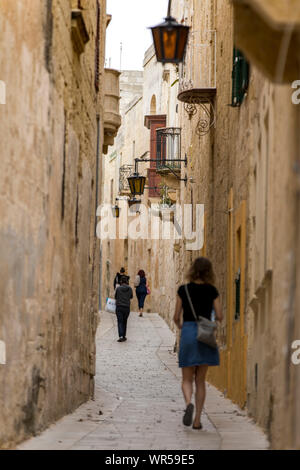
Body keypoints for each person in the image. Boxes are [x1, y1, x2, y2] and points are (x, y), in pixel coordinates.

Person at [173, 257, 223, 430]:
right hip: (205, 335)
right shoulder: (212, 291)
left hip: (187, 333)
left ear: (192, 270)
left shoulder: (183, 290)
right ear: (209, 272)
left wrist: (183, 327)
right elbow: (219, 315)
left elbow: (176, 316)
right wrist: (211, 322)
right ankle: (197, 421)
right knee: (200, 380)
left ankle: (188, 404)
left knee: (187, 379)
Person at [115, 275, 133, 342]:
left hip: (119, 307)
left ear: (121, 281)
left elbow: (116, 297)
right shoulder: (130, 288)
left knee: (120, 321)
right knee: (125, 321)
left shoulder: (118, 289)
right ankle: (124, 336)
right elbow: (131, 297)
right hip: (126, 307)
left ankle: (120, 336)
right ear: (127, 281)